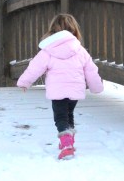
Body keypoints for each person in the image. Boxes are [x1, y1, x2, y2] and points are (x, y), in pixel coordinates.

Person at [17, 12, 104, 160]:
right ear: (74, 30)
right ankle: (69, 139)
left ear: (52, 31)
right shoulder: (80, 50)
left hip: (57, 91)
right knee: (69, 114)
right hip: (75, 91)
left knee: (60, 118)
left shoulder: (48, 51)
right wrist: (96, 87)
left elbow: (35, 67)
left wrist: (25, 82)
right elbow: (91, 70)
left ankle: (67, 145)